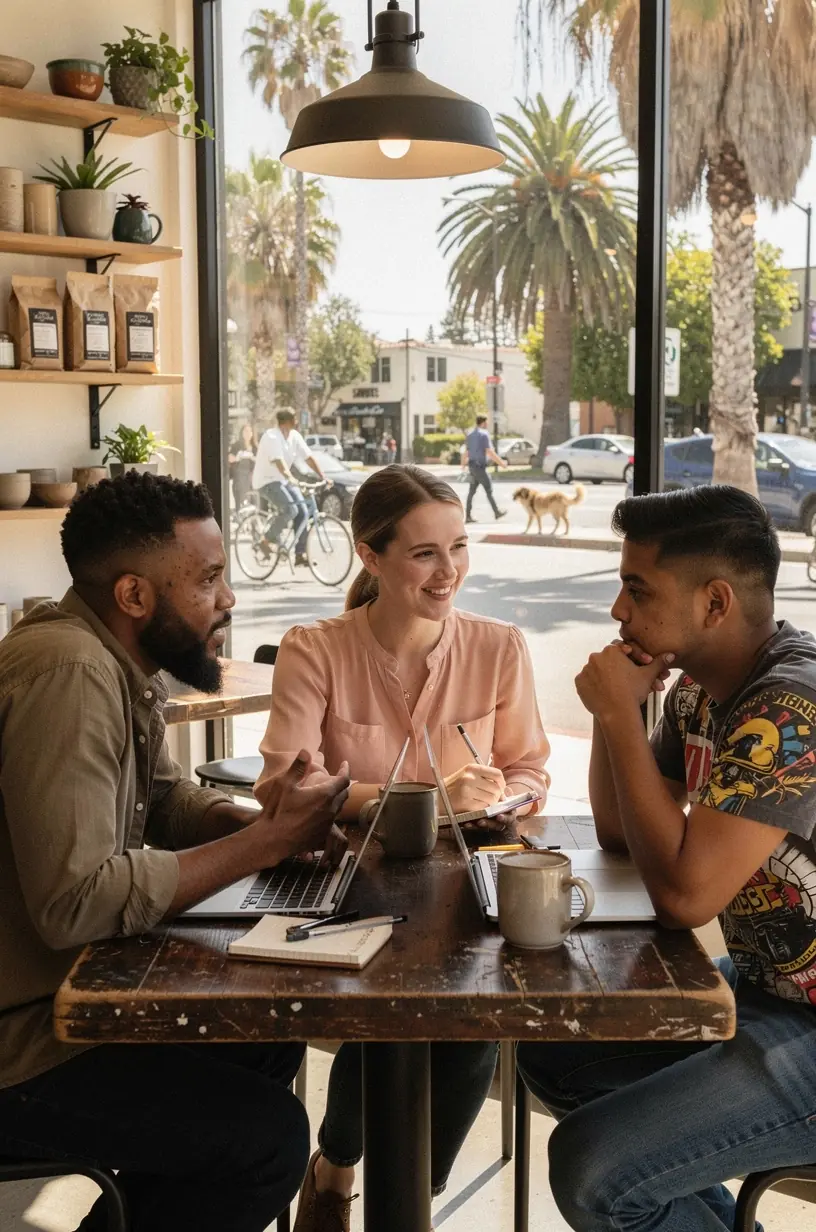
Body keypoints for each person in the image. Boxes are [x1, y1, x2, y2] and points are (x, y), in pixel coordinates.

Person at [0, 472, 350, 1232]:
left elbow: (161, 801)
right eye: (210, 579)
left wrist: (258, 818)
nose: (227, 600)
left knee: (264, 1039)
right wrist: (264, 843)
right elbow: (76, 901)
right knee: (266, 1142)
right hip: (18, 1045)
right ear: (133, 596)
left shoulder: (111, 661)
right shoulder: (70, 672)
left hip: (61, 1002)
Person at [256, 463, 550, 1232]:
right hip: (347, 885)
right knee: (389, 1005)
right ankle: (344, 1167)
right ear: (370, 556)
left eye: (458, 547)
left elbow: (528, 768)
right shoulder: (314, 648)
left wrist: (503, 796)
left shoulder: (500, 648)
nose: (447, 570)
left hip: (465, 884)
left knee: (476, 1017)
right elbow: (285, 786)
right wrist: (420, 801)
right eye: (423, 553)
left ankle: (401, 1195)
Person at [518, 485, 816, 1232]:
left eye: (636, 588)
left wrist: (617, 712)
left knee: (594, 1171)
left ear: (715, 603)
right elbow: (622, 832)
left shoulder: (788, 708)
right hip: (768, 994)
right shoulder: (699, 693)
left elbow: (687, 897)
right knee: (557, 1052)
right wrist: (620, 712)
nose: (619, 610)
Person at [253, 409, 330, 563]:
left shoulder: (295, 436)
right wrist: (291, 478)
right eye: (295, 418)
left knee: (302, 511)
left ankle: (300, 554)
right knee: (290, 509)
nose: (298, 421)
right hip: (266, 481)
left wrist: (323, 476)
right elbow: (279, 462)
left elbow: (308, 457)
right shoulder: (272, 436)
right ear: (286, 421)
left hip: (283, 481)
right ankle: (265, 540)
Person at [461, 414, 507, 523]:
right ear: (483, 423)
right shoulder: (484, 434)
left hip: (472, 467)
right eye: (487, 422)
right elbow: (489, 451)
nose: (487, 424)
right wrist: (501, 463)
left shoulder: (470, 434)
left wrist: (463, 465)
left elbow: (466, 452)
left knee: (471, 491)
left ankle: (467, 516)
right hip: (480, 467)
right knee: (488, 489)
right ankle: (496, 512)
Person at [228, 421, 257, 511]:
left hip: (251, 476)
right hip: (239, 476)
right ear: (242, 433)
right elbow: (229, 458)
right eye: (245, 431)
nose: (248, 433)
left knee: (251, 499)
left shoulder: (255, 447)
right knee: (240, 500)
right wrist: (238, 457)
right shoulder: (236, 445)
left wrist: (252, 457)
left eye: (249, 431)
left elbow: (259, 461)